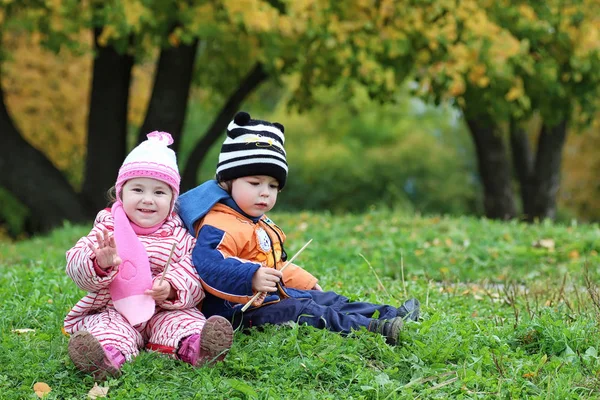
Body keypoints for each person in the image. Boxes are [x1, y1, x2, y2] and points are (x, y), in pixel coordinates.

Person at [178, 111, 420, 346]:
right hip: (237, 311)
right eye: (254, 183)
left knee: (324, 298)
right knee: (303, 310)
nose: (265, 192)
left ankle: (390, 313)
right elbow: (209, 265)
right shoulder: (218, 222)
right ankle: (372, 330)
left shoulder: (255, 221)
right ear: (227, 182)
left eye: (273, 186)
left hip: (270, 299)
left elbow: (274, 265)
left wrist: (303, 281)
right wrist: (250, 277)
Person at [64, 131, 233, 380]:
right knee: (107, 329)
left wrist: (172, 287)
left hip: (165, 309)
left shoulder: (180, 235)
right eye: (138, 189)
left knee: (184, 323)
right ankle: (105, 357)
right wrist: (99, 263)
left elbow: (194, 272)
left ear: (173, 199)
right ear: (120, 193)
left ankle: (198, 348)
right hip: (114, 309)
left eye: (159, 192)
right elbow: (76, 264)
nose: (147, 200)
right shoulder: (107, 229)